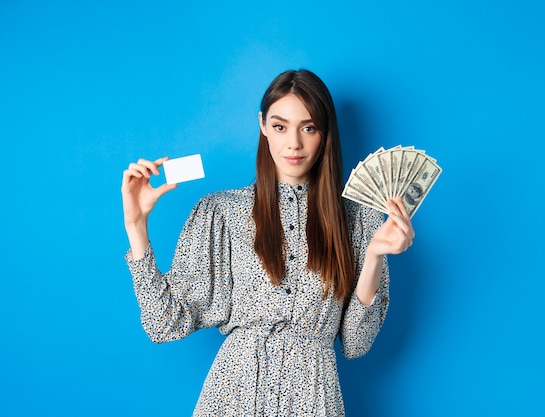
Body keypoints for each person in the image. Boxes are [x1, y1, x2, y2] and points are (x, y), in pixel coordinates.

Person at [121, 69, 415, 416]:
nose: (294, 143)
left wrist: (375, 256)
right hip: (233, 396)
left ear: (325, 133)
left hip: (314, 398)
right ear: (263, 125)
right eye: (280, 126)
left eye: (308, 127)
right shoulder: (222, 212)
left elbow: (356, 343)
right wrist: (136, 227)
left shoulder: (358, 218)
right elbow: (163, 324)